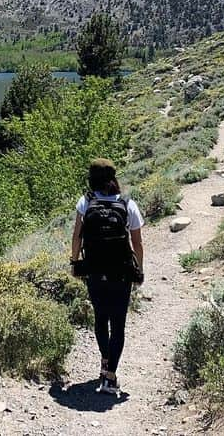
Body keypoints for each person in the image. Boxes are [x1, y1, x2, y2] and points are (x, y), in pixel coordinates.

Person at [70, 157, 144, 396]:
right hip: (121, 273)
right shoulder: (127, 204)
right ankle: (111, 376)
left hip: (94, 270)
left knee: (100, 318)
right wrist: (138, 271)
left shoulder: (86, 202)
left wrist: (75, 262)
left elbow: (76, 237)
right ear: (113, 179)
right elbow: (138, 242)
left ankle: (104, 361)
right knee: (118, 324)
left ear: (92, 180)